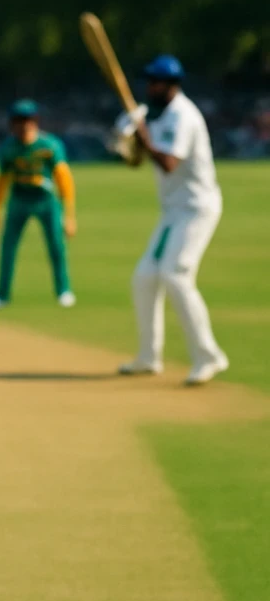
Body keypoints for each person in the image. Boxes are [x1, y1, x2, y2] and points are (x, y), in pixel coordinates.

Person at [116, 56, 228, 385]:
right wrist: (132, 139)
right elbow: (136, 160)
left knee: (176, 276)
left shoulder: (184, 115)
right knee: (144, 278)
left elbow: (168, 163)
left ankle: (209, 356)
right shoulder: (151, 114)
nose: (151, 87)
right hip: (173, 211)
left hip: (197, 207)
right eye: (149, 81)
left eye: (157, 82)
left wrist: (143, 135)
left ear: (172, 85)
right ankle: (149, 357)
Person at [0, 99, 77, 309]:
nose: (23, 125)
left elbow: (64, 178)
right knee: (8, 247)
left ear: (35, 121)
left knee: (56, 246)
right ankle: (2, 294)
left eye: (27, 120)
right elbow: (2, 181)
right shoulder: (9, 148)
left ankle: (63, 290)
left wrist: (69, 215)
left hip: (46, 201)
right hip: (19, 200)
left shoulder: (49, 145)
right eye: (18, 120)